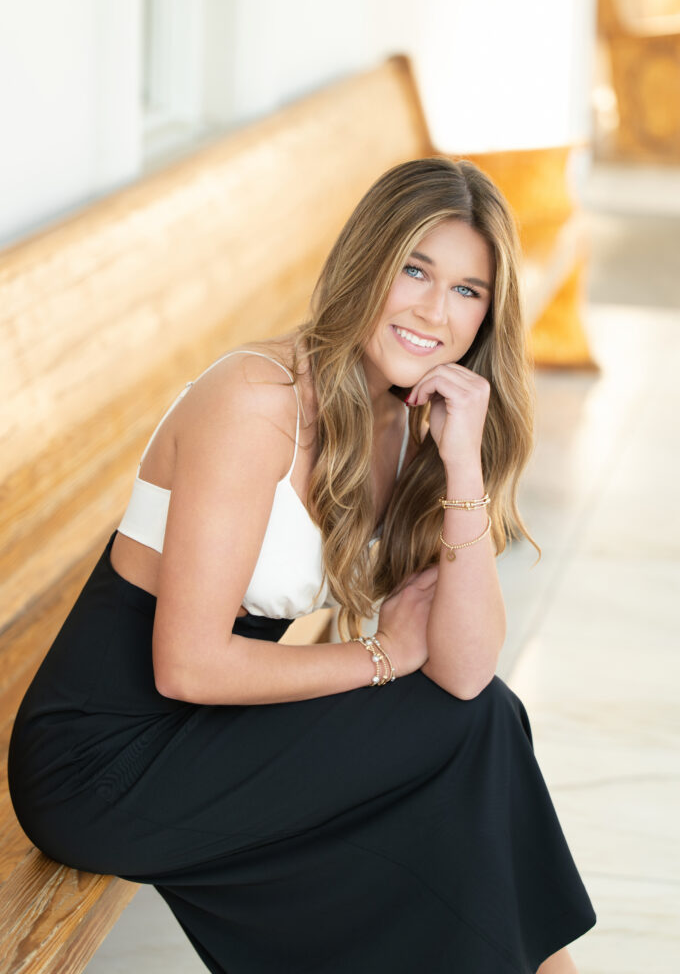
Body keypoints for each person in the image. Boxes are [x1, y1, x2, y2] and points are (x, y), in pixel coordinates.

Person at [8, 156, 596, 973]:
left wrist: (464, 468)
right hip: (103, 763)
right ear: (368, 265)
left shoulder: (410, 422)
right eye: (414, 270)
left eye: (468, 290)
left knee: (474, 739)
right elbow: (186, 666)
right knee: (467, 751)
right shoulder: (257, 399)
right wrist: (380, 656)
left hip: (209, 734)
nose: (435, 310)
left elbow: (464, 670)